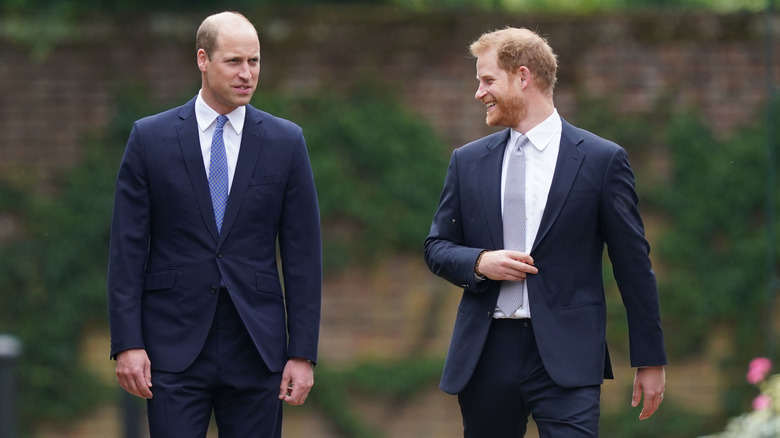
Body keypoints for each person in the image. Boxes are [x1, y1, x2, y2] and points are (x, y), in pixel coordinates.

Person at [424, 27, 667, 437]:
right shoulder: (466, 162)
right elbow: (437, 247)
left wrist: (651, 359)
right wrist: (481, 262)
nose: (479, 93)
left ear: (523, 77)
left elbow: (633, 266)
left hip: (567, 355)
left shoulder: (602, 161)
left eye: (487, 80)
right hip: (485, 353)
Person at [107, 11, 322, 438]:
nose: (247, 74)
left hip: (257, 346)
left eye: (255, 62)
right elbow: (127, 249)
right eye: (234, 62)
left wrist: (302, 353)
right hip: (172, 343)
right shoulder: (150, 138)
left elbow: (303, 256)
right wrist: (128, 343)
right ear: (203, 59)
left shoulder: (286, 141)